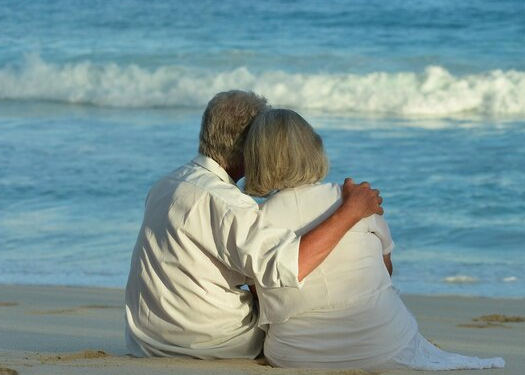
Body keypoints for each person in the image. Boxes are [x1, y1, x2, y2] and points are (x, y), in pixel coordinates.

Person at [125, 91, 383, 359]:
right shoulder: (227, 202)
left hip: (146, 339)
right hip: (211, 342)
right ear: (251, 144)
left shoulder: (167, 184)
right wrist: (351, 211)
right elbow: (289, 266)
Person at [244, 108, 505, 370]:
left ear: (255, 161)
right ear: (315, 149)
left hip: (294, 354)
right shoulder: (356, 199)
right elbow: (386, 269)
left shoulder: (256, 220)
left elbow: (259, 292)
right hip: (383, 344)